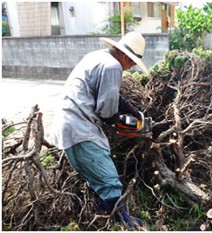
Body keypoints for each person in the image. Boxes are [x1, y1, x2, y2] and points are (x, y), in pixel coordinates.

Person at [52, 32, 149, 228]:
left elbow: (109, 94)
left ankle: (100, 220)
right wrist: (126, 124)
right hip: (80, 127)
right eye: (132, 63)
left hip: (69, 124)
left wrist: (133, 111)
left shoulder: (96, 57)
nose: (131, 68)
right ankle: (121, 221)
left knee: (97, 179)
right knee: (108, 180)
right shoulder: (113, 66)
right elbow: (107, 112)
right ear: (125, 56)